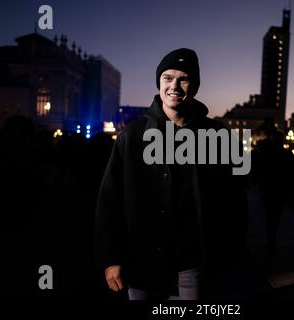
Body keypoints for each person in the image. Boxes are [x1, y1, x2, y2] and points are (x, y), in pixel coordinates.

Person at [95, 48, 248, 300]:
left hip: (192, 261)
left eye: (183, 79)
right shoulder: (132, 136)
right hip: (140, 261)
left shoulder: (220, 136)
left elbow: (235, 201)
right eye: (168, 78)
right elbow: (109, 201)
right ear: (159, 82)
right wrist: (110, 257)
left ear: (195, 85)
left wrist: (231, 252)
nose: (174, 86)